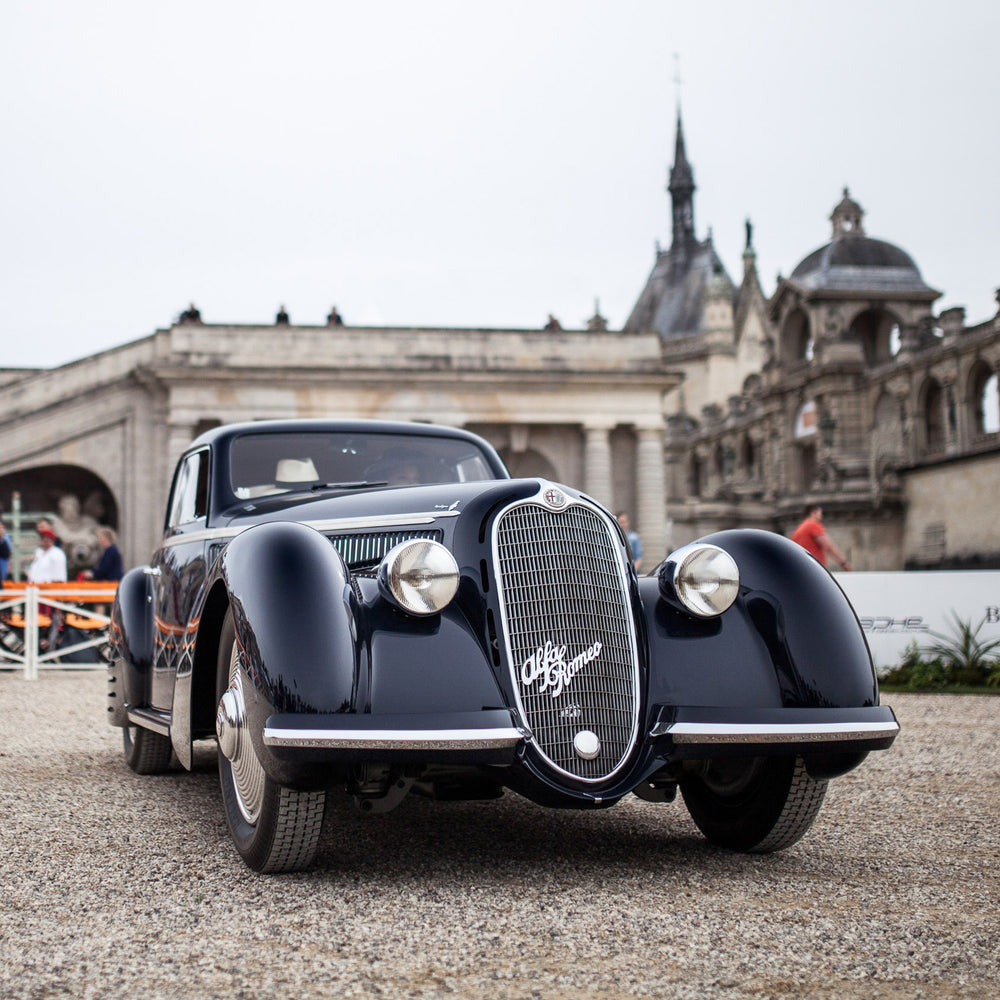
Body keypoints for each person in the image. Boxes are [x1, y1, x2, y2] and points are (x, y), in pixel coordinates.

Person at [791, 504, 851, 570]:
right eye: (820, 513)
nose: (821, 516)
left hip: (802, 567)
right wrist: (843, 563)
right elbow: (828, 546)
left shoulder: (798, 530)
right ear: (813, 513)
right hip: (815, 567)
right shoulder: (813, 525)